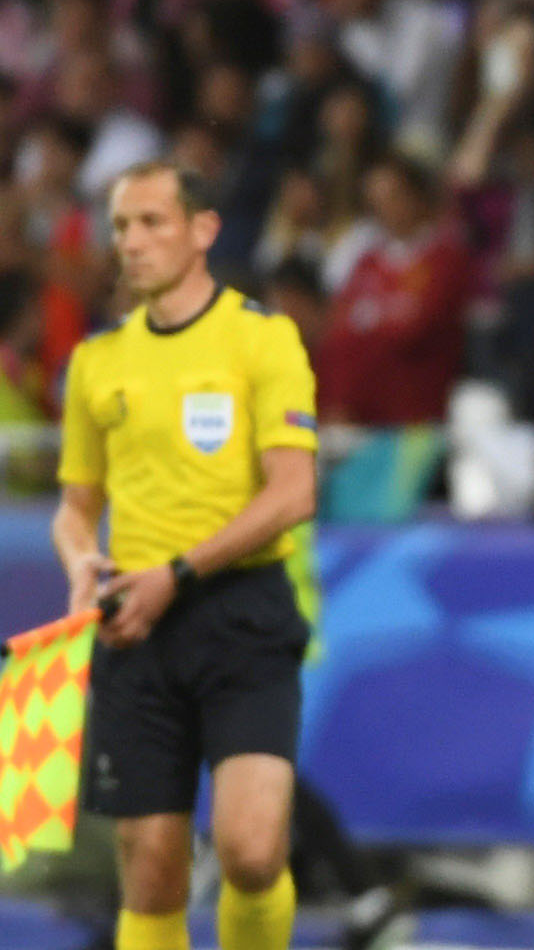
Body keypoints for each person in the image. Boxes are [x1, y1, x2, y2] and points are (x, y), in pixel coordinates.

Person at [51, 161, 318, 950]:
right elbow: (75, 507)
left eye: (151, 222)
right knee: (152, 868)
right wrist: (80, 562)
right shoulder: (97, 361)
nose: (130, 243)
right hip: (135, 627)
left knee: (251, 850)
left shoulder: (262, 339)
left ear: (203, 231)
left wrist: (179, 573)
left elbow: (294, 492)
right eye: (120, 227)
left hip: (241, 615)